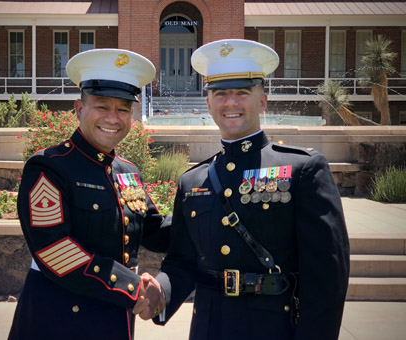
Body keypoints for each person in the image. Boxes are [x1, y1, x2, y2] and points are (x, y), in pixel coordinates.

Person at [147, 39, 350, 339]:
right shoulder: (193, 181)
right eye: (220, 93)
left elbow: (327, 278)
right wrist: (161, 291)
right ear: (208, 103)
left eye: (242, 92)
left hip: (273, 329)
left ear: (263, 100)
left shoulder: (303, 170)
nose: (231, 102)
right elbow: (183, 260)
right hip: (208, 328)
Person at [9, 49, 168, 340]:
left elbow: (154, 230)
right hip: (59, 319)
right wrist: (133, 287)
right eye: (101, 105)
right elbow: (55, 250)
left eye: (122, 108)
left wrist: (203, 217)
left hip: (114, 318)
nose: (113, 117)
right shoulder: (49, 167)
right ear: (79, 109)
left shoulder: (126, 171)